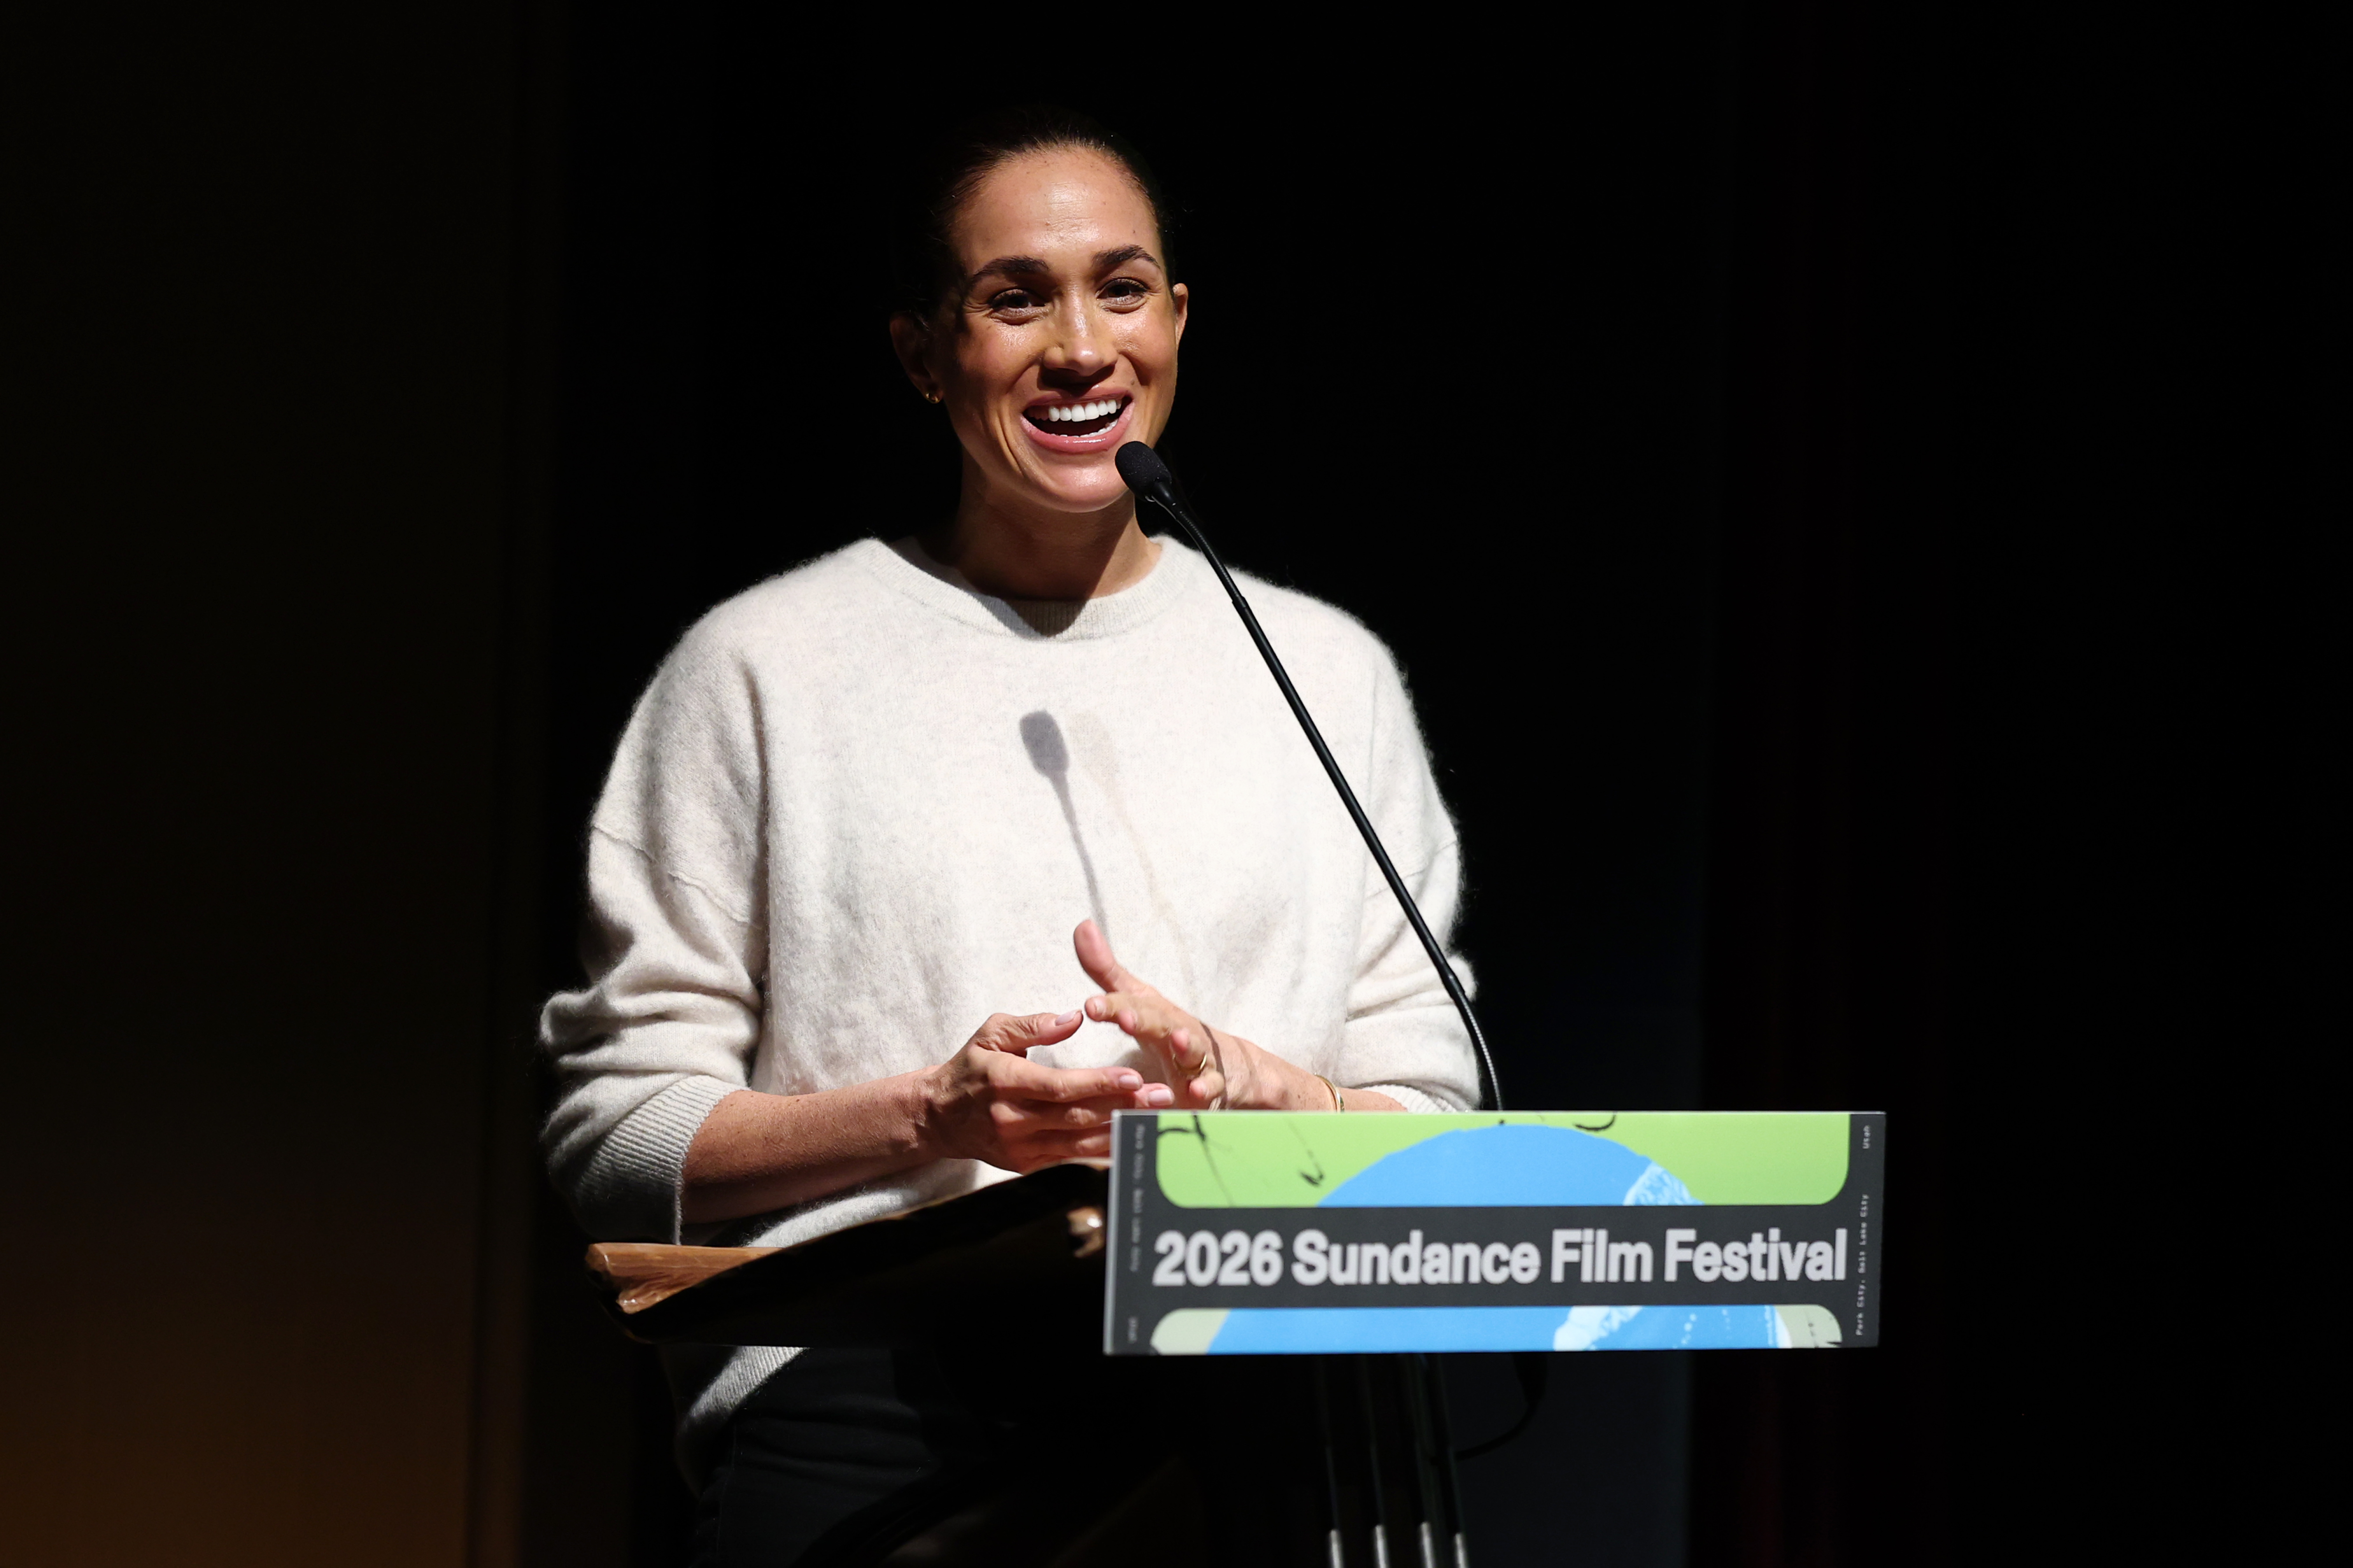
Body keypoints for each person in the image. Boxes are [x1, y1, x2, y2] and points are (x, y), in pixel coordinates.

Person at [541, 105, 1480, 1565]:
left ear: (1178, 321)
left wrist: (1265, 1098)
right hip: (872, 1419)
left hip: (1272, 1396)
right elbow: (616, 1144)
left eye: (1120, 287)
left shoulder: (1326, 670)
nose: (1080, 347)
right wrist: (933, 1119)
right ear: (924, 353)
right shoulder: (764, 666)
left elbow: (1443, 1129)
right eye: (1014, 297)